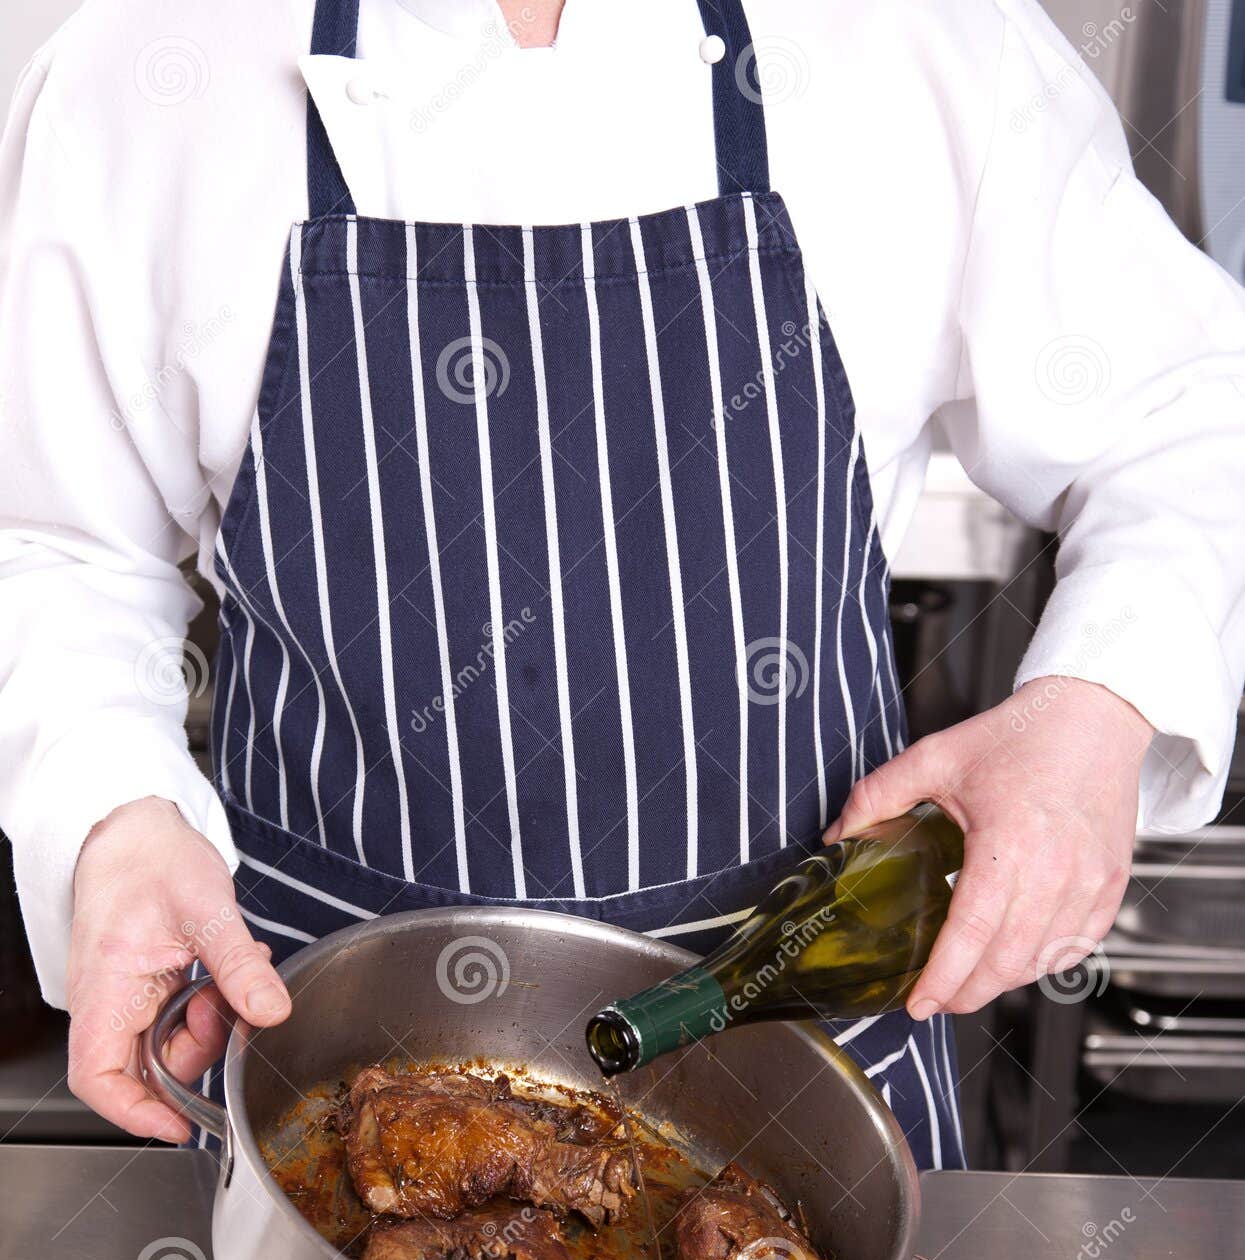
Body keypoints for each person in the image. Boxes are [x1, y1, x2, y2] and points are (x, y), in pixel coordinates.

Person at [1, 0, 1243, 1167]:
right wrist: (109, 811)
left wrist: (1093, 706)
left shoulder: (914, 32)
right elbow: (55, 542)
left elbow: (1189, 412)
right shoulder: (150, 59)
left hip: (798, 1065)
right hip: (326, 1081)